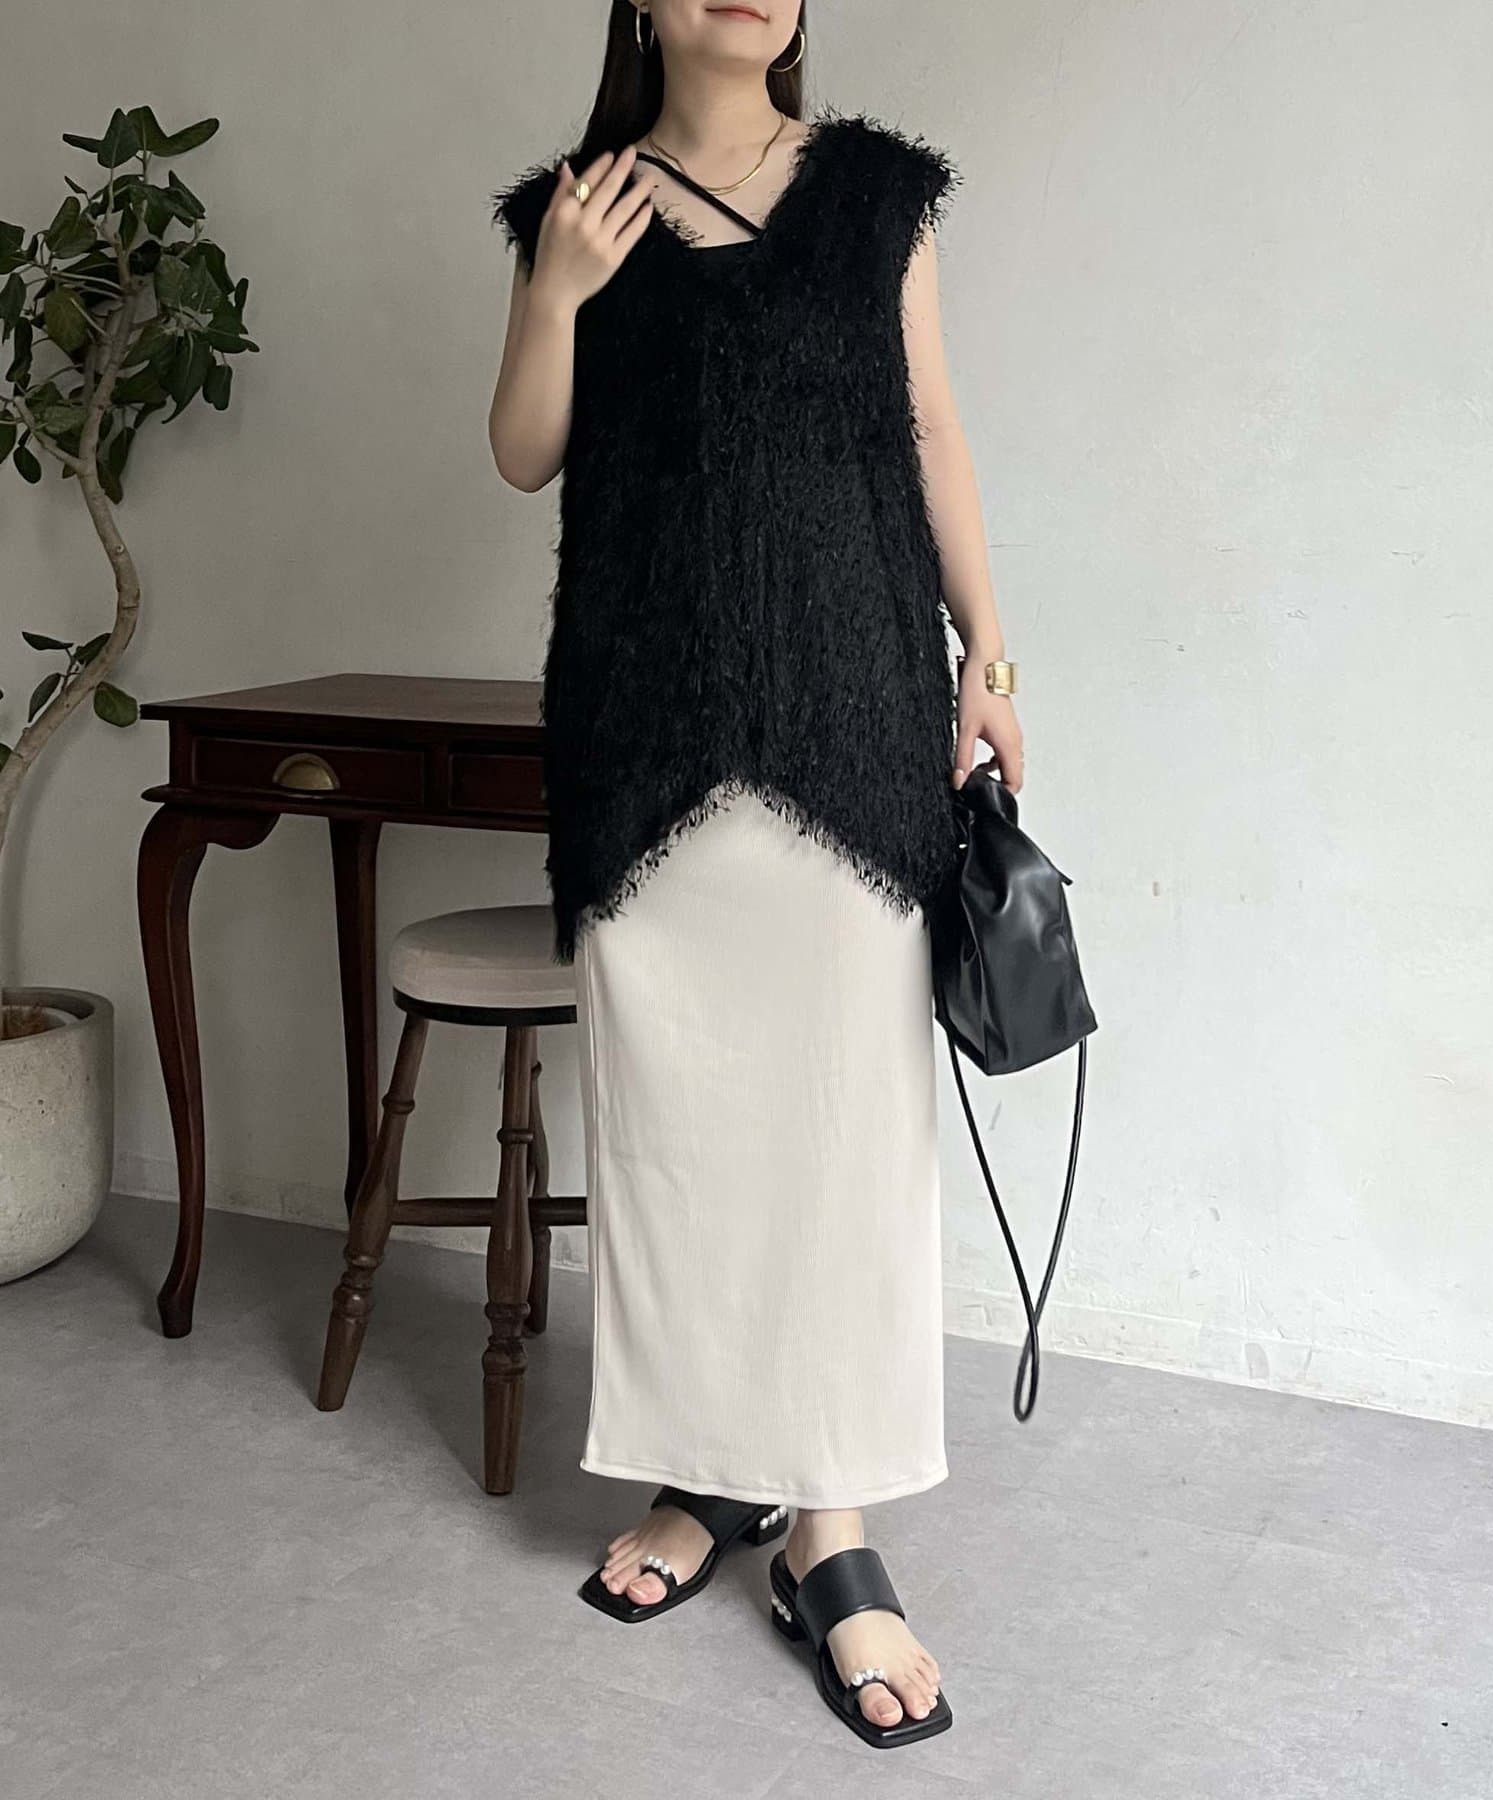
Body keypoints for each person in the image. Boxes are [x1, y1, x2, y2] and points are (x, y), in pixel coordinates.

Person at [488, 0, 1021, 1751]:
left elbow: (931, 433)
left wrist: (989, 658)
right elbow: (525, 450)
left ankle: (829, 1529)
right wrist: (559, 289)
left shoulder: (875, 196)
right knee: (677, 1135)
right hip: (640, 726)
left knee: (843, 1138)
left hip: (853, 720)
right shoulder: (576, 208)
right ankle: (708, 1471)